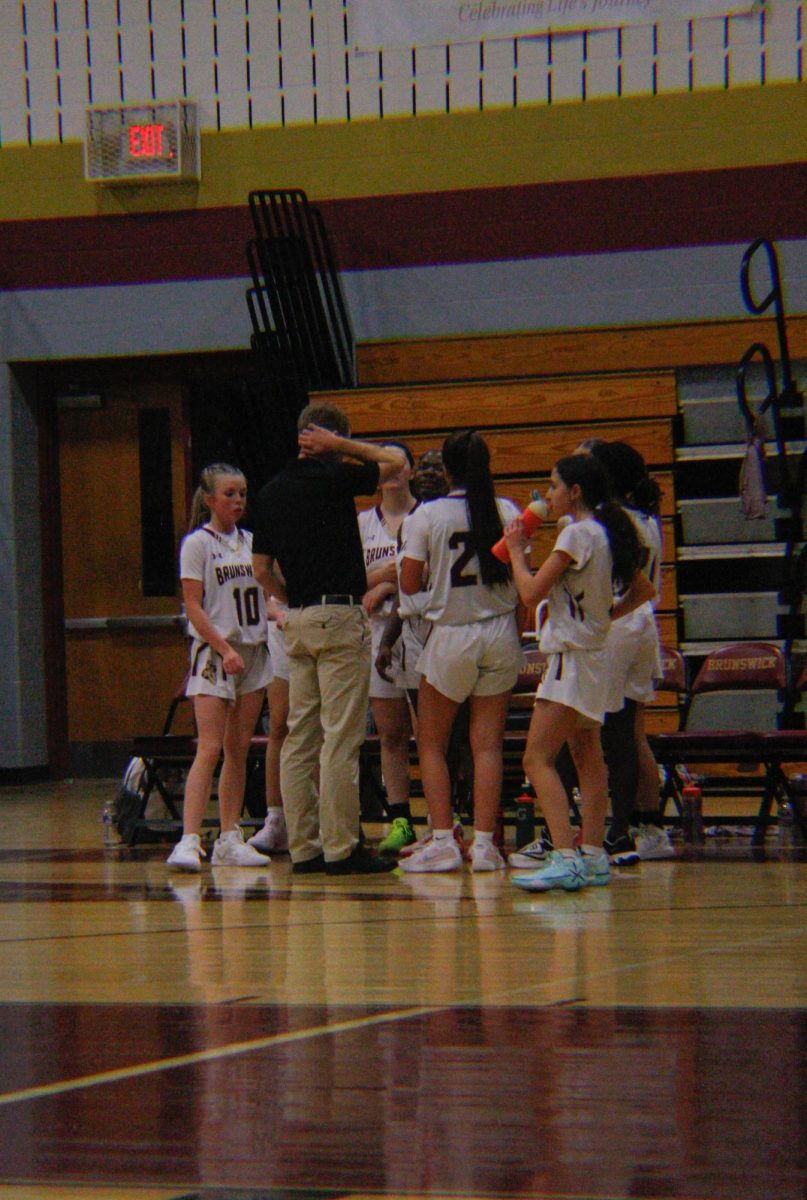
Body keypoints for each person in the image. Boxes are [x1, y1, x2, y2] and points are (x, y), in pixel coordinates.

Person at [251, 402, 406, 875]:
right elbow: (394, 461)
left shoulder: (270, 491)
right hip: (339, 614)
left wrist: (294, 597)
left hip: (296, 618)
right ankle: (341, 847)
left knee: (300, 737)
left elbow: (261, 569)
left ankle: (304, 848)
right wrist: (341, 447)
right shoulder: (336, 477)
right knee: (341, 737)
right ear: (328, 440)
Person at [503, 454, 654, 892]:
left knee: (537, 758)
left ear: (575, 492)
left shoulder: (574, 533)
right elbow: (645, 589)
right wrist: (606, 616)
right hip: (595, 655)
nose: (548, 495)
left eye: (553, 486)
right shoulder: (605, 532)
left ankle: (565, 856)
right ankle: (592, 854)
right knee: (589, 755)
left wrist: (516, 552)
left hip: (571, 658)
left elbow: (530, 593)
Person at [398, 430, 523, 873]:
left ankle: (443, 839)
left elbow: (409, 583)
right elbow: (522, 581)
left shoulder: (428, 514)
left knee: (432, 742)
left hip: (453, 633)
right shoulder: (507, 509)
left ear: (447, 469)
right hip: (501, 631)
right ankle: (485, 844)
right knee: (487, 745)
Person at [167, 464, 274, 873]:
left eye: (243, 493)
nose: (238, 501)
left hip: (252, 652)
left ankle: (230, 836)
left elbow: (262, 594)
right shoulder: (198, 543)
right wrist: (223, 647)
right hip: (216, 653)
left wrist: (276, 612)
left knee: (238, 749)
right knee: (209, 747)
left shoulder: (251, 542)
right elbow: (193, 606)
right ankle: (189, 839)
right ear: (210, 499)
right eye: (229, 494)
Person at [589, 441, 675, 862]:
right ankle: (650, 825)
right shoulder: (648, 517)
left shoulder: (613, 520)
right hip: (646, 626)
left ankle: (613, 828)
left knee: (609, 733)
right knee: (634, 732)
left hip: (621, 622)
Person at [359, 442, 419, 856]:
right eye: (384, 464)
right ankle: (401, 820)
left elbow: (430, 575)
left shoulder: (426, 517)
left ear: (412, 471)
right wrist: (380, 577)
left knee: (435, 737)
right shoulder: (362, 522)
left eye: (400, 463)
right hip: (375, 639)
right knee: (391, 735)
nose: (393, 471)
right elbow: (347, 578)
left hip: (420, 635)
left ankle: (444, 821)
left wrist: (383, 580)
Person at [247, 594, 291, 853]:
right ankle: (276, 820)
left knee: (319, 729)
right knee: (279, 726)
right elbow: (261, 578)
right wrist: (273, 608)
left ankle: (321, 819)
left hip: (320, 616)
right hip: (281, 626)